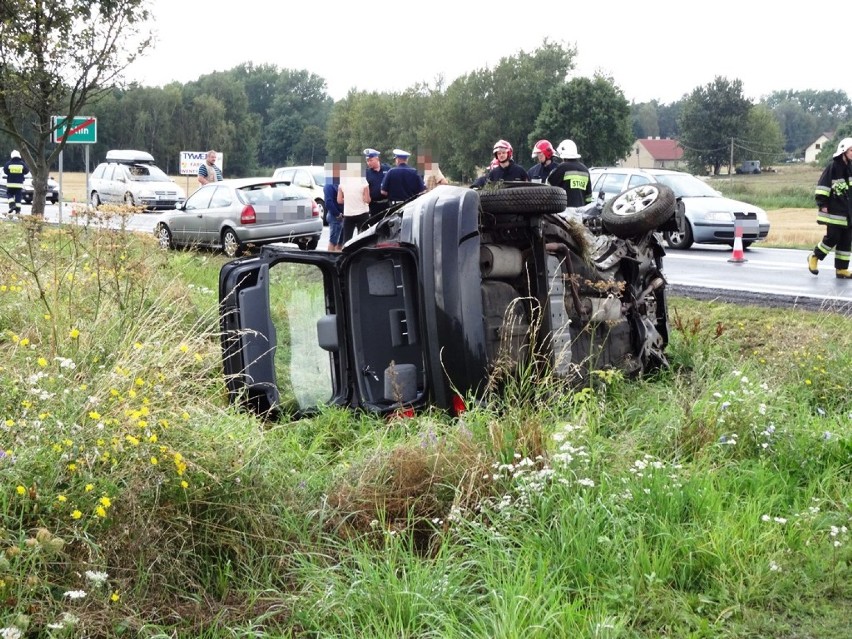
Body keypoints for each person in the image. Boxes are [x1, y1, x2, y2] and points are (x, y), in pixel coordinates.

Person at [808, 137, 852, 279]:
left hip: (848, 213)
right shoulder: (832, 168)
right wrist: (823, 204)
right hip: (835, 212)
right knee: (832, 238)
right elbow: (822, 187)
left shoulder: (850, 168)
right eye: (851, 150)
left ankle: (841, 269)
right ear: (843, 151)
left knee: (846, 241)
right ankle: (814, 256)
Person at [547, 139, 592, 207]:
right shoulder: (585, 170)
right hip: (581, 212)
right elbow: (588, 198)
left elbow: (548, 187)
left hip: (564, 213)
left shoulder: (562, 168)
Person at [338, 159, 370, 243]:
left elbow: (339, 200)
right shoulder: (363, 181)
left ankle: (347, 255)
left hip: (348, 214)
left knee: (347, 239)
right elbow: (367, 200)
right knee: (362, 239)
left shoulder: (343, 182)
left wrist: (348, 199)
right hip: (362, 213)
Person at [323, 162, 344, 252]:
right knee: (333, 242)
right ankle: (330, 258)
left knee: (340, 243)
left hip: (343, 216)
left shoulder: (340, 183)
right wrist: (337, 214)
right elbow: (328, 202)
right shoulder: (329, 185)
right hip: (335, 216)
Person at [363, 148, 391, 215]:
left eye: (371, 160)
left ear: (377, 159)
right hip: (374, 206)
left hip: (388, 203)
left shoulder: (388, 169)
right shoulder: (366, 173)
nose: (369, 163)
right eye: (367, 161)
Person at [3, 150, 29, 217]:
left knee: (9, 194)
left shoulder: (9, 163)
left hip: (10, 184)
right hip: (19, 184)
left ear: (12, 156)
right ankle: (18, 210)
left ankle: (12, 205)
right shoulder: (22, 163)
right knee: (18, 197)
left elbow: (5, 170)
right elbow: (27, 171)